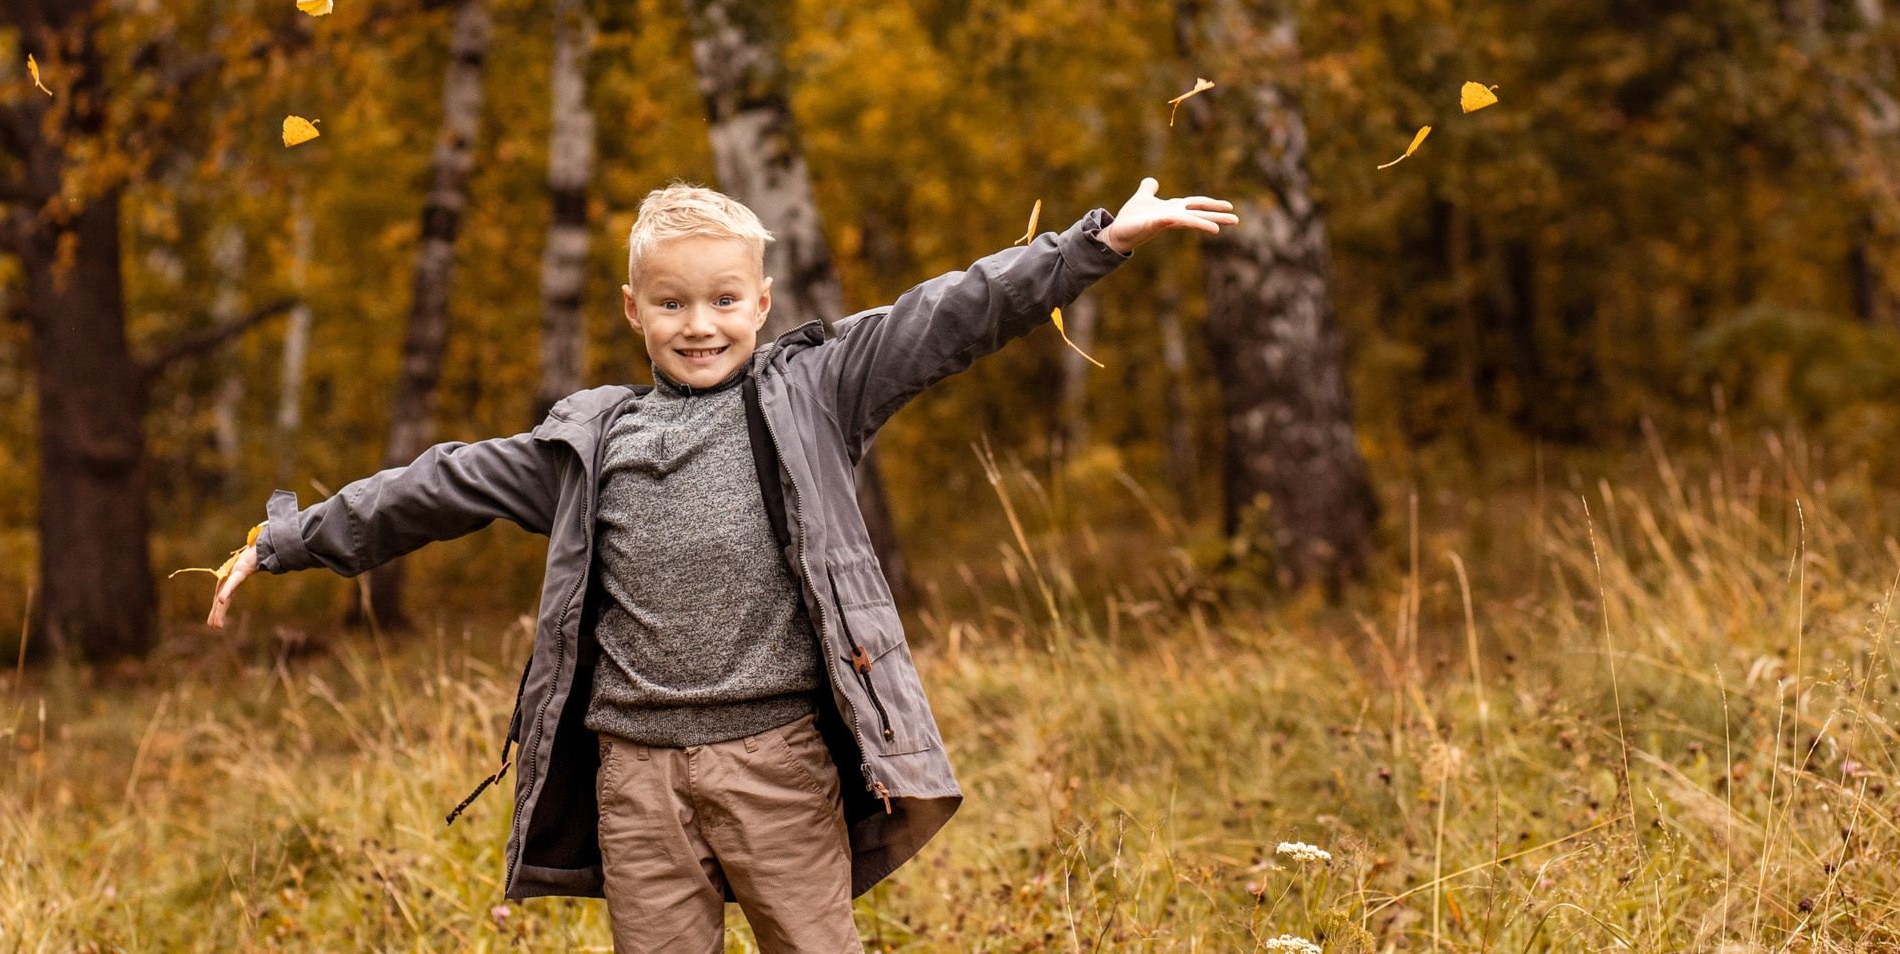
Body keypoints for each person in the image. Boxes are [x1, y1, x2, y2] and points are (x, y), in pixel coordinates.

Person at [207, 177, 1236, 953]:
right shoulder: (588, 443)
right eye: (671, 305)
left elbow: (949, 313)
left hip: (775, 764)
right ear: (631, 309)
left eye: (723, 301)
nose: (698, 325)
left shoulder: (815, 391)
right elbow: (436, 487)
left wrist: (1096, 240)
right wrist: (286, 538)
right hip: (637, 779)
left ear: (761, 300)